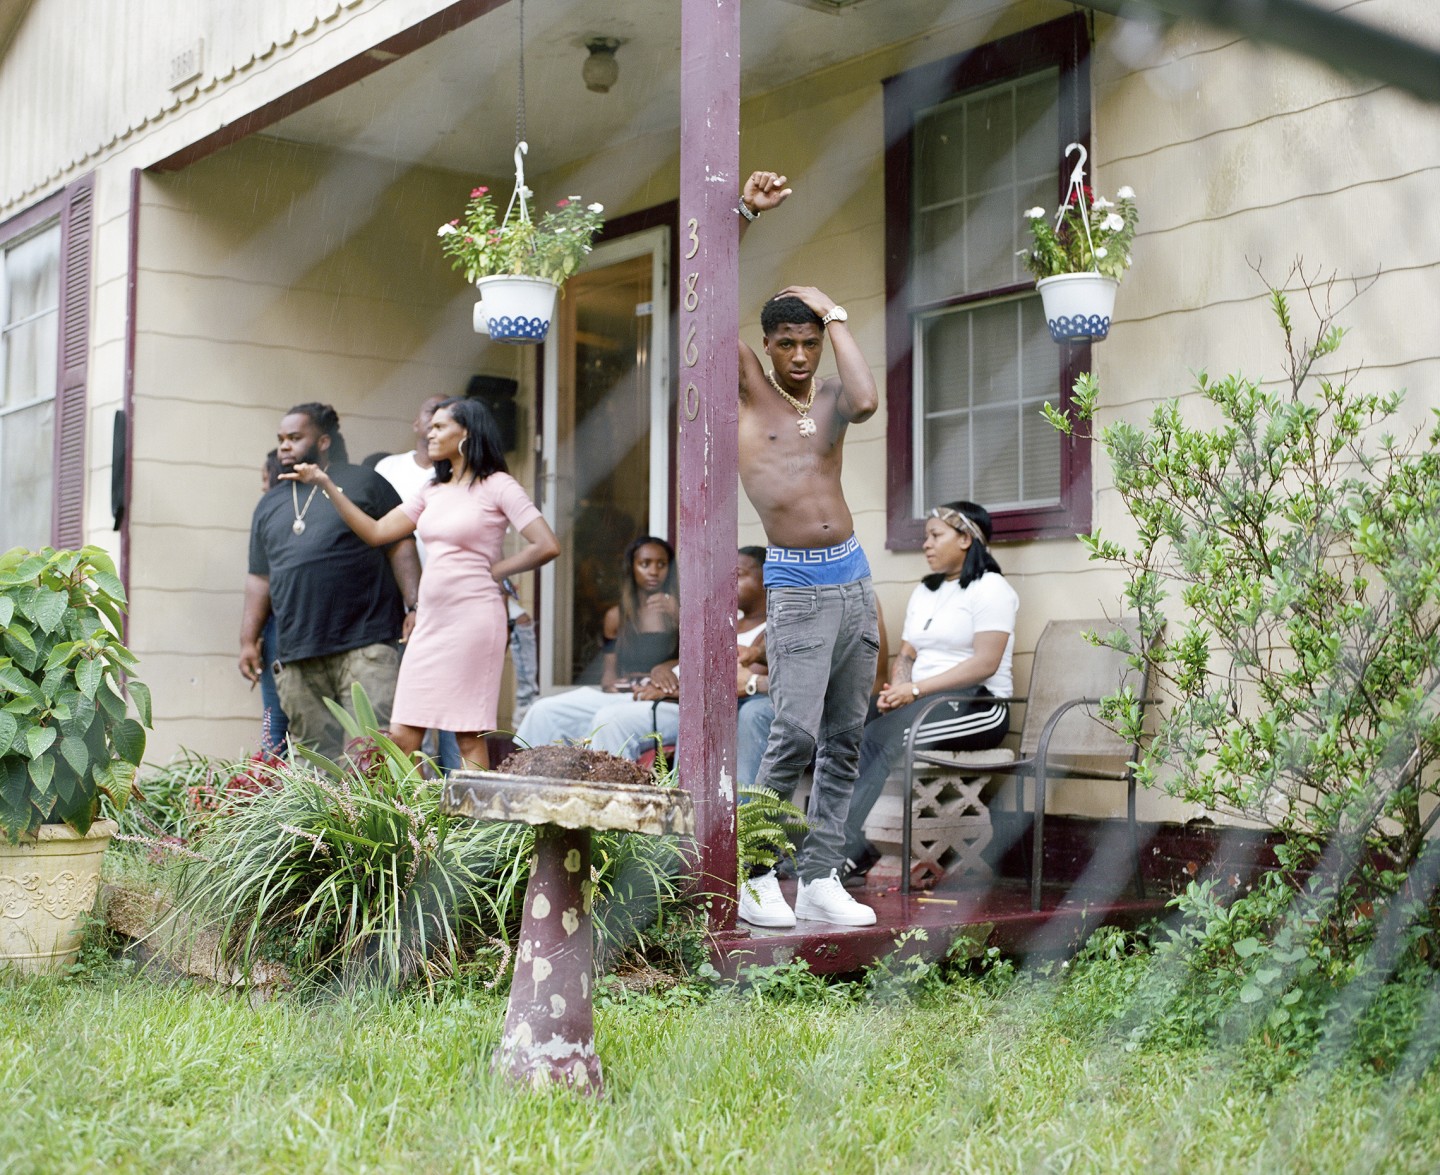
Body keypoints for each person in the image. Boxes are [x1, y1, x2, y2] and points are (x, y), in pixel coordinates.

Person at [733, 168, 882, 929]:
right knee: (791, 729)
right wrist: (743, 217)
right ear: (766, 346)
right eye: (786, 342)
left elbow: (865, 397)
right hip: (794, 583)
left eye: (809, 341)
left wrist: (835, 311)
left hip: (853, 578)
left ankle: (821, 875)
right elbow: (699, 305)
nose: (800, 354)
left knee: (846, 734)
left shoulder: (829, 396)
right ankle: (757, 871)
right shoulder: (747, 394)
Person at [284, 398, 559, 769]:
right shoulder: (432, 489)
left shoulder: (498, 485)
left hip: (474, 619)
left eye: (440, 427)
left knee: (467, 733)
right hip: (430, 623)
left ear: (467, 434)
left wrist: (496, 571)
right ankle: (396, 823)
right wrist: (327, 485)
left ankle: (473, 824)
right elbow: (377, 531)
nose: (430, 433)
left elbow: (546, 544)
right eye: (430, 427)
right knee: (403, 733)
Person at [839, 501, 1018, 881]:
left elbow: (985, 663)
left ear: (966, 538)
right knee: (842, 726)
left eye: (936, 535)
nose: (926, 544)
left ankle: (838, 852)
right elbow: (906, 652)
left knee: (881, 739)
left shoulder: (992, 589)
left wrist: (915, 690)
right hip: (922, 699)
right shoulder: (926, 591)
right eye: (925, 536)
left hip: (979, 707)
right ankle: (840, 843)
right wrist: (899, 687)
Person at [240, 404, 421, 761]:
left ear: (323, 441)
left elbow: (400, 546)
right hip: (299, 651)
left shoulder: (365, 482)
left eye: (295, 438)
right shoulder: (270, 503)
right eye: (281, 440)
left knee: (371, 756)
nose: (284, 447)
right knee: (315, 762)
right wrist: (248, 640)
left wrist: (415, 605)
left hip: (365, 642)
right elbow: (259, 578)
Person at [514, 536, 682, 761]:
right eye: (645, 564)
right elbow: (609, 672)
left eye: (661, 565)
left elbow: (702, 657)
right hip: (627, 694)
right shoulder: (617, 616)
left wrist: (681, 615)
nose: (653, 571)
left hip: (663, 698)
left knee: (608, 718)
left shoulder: (683, 612)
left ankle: (606, 790)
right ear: (631, 568)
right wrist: (611, 684)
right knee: (543, 710)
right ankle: (536, 784)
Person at [373, 394, 461, 771]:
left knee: (457, 715)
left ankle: (456, 800)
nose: (435, 422)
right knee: (410, 707)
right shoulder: (388, 468)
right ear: (416, 422)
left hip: (451, 605)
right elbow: (381, 531)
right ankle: (412, 805)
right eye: (431, 413)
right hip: (400, 604)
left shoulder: (464, 477)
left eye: (446, 416)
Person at [257, 450, 290, 755]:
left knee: (275, 718)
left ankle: (269, 788)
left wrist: (250, 636)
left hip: (280, 628)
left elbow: (262, 580)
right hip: (278, 626)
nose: (263, 487)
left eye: (265, 478)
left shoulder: (270, 511)